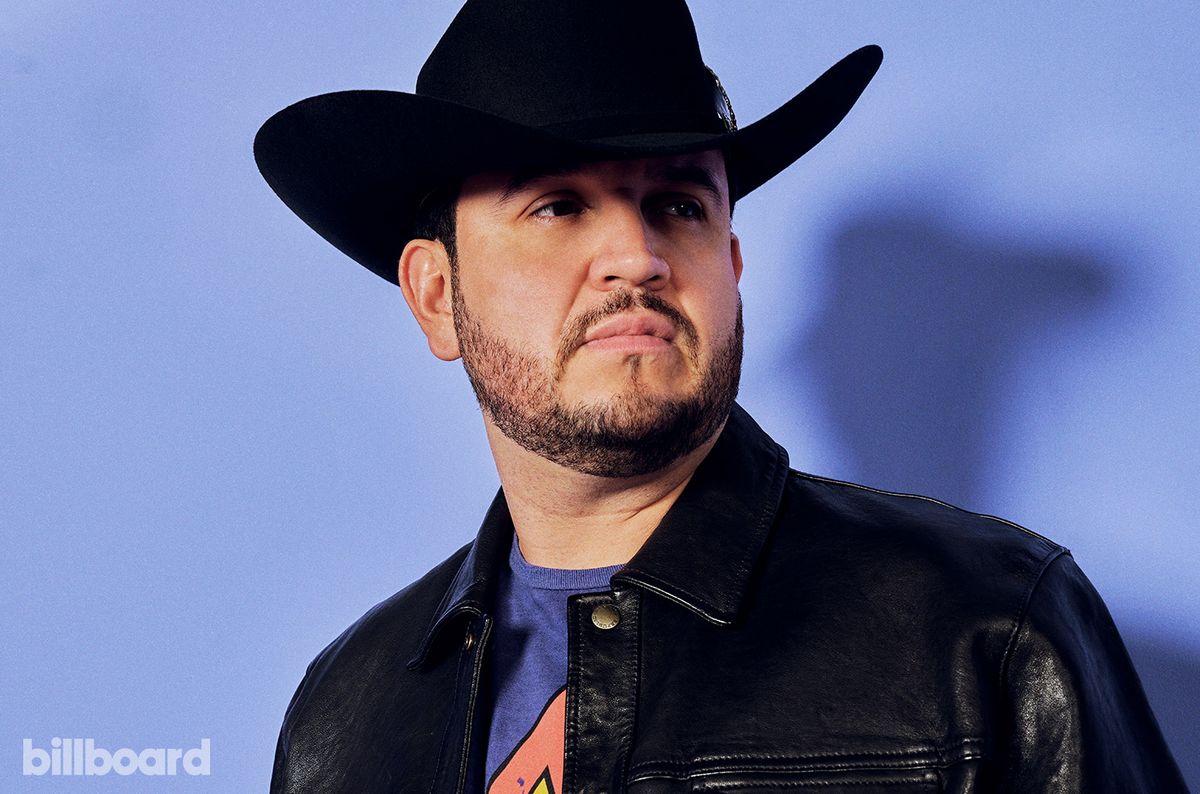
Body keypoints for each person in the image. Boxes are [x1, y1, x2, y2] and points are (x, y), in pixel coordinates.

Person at [255, 1, 1187, 792]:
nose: (637, 257)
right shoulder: (346, 718)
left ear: (731, 267)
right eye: (558, 206)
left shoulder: (990, 632)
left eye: (679, 206)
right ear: (435, 295)